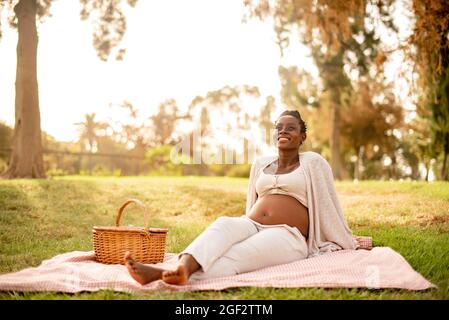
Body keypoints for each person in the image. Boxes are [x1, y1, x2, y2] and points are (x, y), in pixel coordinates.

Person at [124, 110, 357, 285]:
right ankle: (182, 267)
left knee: (238, 255)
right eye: (279, 127)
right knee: (222, 225)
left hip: (287, 235)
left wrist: (343, 239)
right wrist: (242, 228)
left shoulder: (313, 162)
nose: (283, 131)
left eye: (291, 128)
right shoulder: (261, 163)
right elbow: (251, 202)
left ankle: (160, 275)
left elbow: (328, 206)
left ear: (302, 136)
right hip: (251, 223)